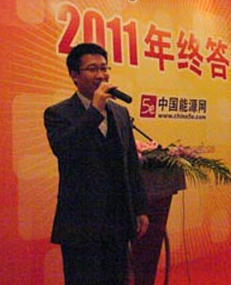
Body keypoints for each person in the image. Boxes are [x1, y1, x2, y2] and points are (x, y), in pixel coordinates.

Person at [44, 43, 149, 285]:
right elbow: (66, 151)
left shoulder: (120, 113)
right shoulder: (57, 114)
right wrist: (94, 110)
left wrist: (140, 208)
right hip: (80, 224)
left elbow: (130, 164)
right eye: (92, 69)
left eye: (104, 68)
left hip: (118, 221)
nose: (101, 75)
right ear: (74, 75)